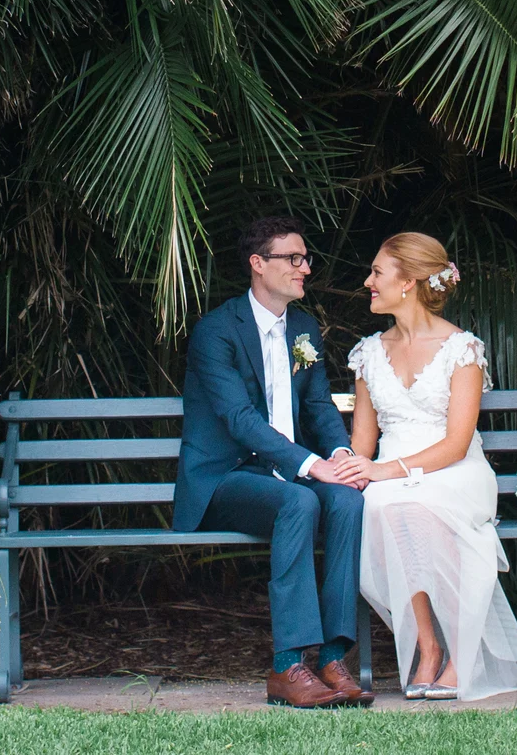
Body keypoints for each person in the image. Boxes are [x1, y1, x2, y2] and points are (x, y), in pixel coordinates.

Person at [174, 215, 375, 708]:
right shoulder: (217, 331)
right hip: (227, 478)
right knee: (299, 503)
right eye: (293, 258)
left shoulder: (303, 328)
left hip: (287, 474)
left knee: (347, 501)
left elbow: (319, 406)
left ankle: (332, 658)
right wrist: (310, 464)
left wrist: (341, 456)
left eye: (306, 259)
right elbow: (239, 419)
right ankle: (287, 665)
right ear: (258, 264)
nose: (305, 268)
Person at [347, 232, 517, 701]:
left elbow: (456, 444)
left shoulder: (461, 349)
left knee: (420, 506)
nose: (368, 281)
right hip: (392, 476)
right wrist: (347, 465)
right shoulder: (369, 353)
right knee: (383, 507)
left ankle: (460, 656)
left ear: (407, 282)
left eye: (377, 272)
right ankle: (428, 648)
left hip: (453, 471)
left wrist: (388, 471)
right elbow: (363, 444)